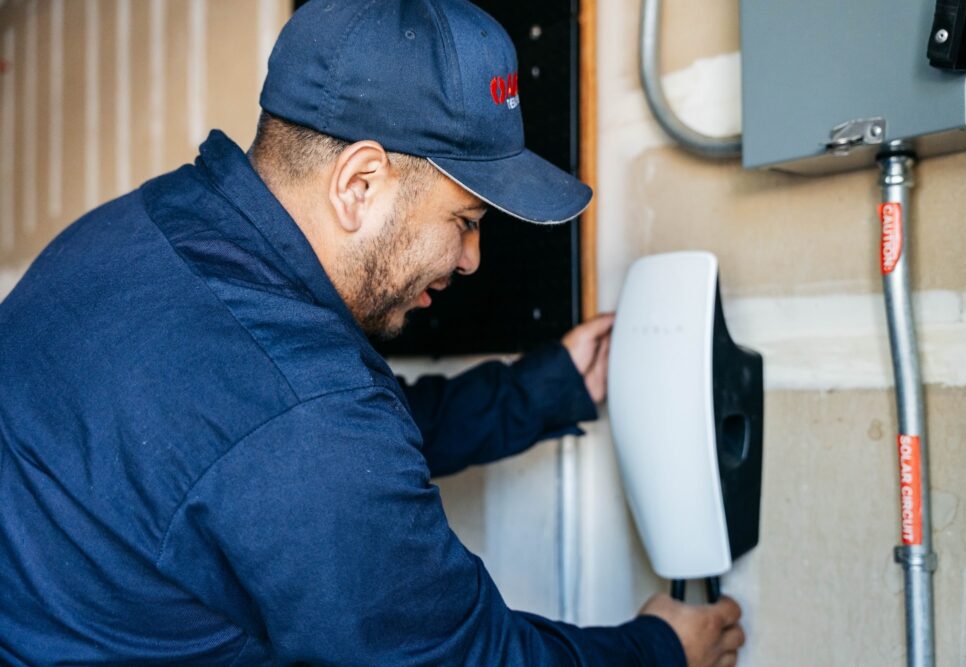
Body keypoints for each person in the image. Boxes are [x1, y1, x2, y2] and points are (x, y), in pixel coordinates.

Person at [0, 0, 744, 664]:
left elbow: (289, 434)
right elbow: (469, 656)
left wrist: (544, 388)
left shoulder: (141, 231)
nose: (472, 258)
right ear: (359, 184)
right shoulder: (305, 416)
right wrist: (662, 647)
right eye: (465, 221)